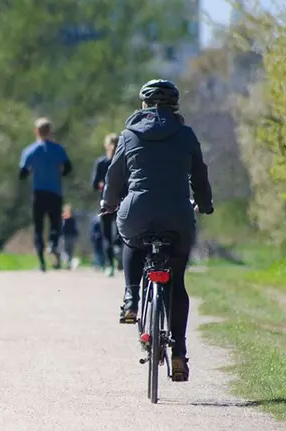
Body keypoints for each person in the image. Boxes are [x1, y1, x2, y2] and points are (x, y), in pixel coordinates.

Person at [100, 79, 214, 382]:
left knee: (132, 240)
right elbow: (199, 177)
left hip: (137, 212)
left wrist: (108, 203)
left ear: (143, 105)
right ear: (175, 106)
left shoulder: (128, 135)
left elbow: (114, 177)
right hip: (177, 215)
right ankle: (179, 354)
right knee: (177, 282)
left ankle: (131, 298)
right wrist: (205, 204)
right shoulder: (186, 134)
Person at [19, 117, 72, 272]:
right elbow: (68, 168)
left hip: (38, 193)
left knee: (38, 227)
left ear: (36, 131)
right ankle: (53, 244)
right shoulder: (58, 149)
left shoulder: (29, 151)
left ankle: (42, 263)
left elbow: (22, 173)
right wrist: (58, 172)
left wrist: (32, 170)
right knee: (55, 224)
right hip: (55, 191)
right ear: (50, 132)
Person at [90, 133, 120, 277]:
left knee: (107, 235)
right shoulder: (123, 162)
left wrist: (103, 185)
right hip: (121, 201)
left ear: (106, 146)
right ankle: (118, 252)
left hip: (105, 202)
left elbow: (94, 184)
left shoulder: (101, 163)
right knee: (122, 232)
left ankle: (110, 265)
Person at [60, 204, 79, 270]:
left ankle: (69, 263)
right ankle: (69, 263)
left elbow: (74, 228)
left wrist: (76, 236)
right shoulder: (66, 219)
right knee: (67, 251)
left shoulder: (69, 219)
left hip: (69, 237)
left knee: (68, 251)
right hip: (67, 237)